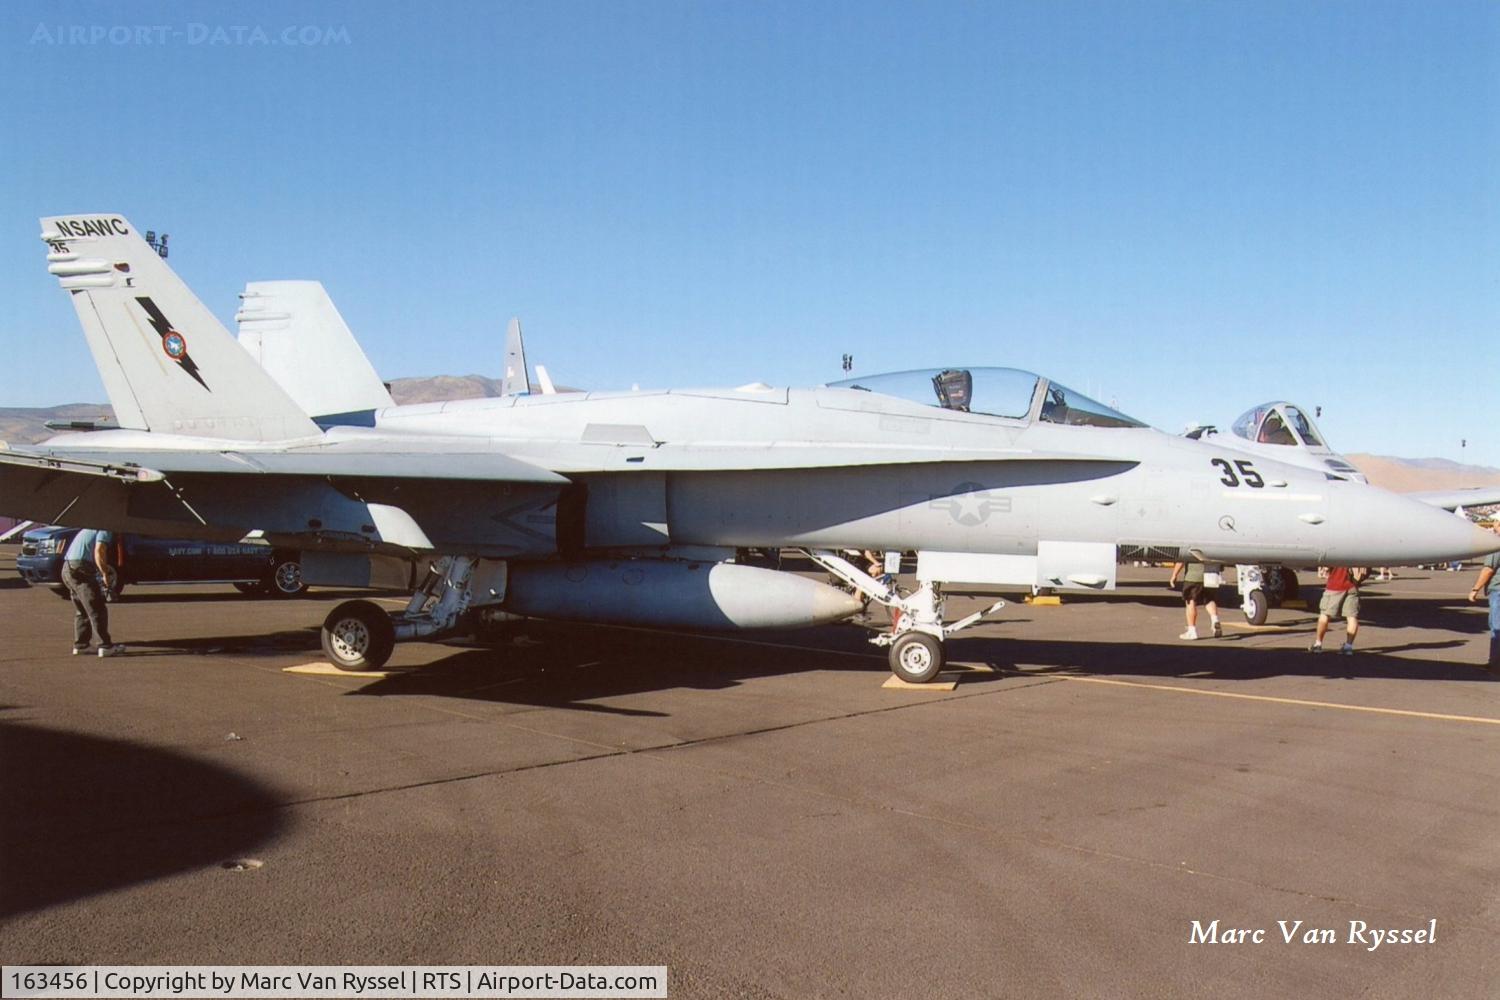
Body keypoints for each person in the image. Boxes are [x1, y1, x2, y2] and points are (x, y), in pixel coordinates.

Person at [61, 527, 124, 657]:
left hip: (67, 568)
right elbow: (99, 550)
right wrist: (105, 573)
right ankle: (105, 646)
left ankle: (81, 645)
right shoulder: (105, 528)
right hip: (80, 567)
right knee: (97, 608)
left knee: (82, 609)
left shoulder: (90, 527)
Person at [1312, 566, 1367, 654]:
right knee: (1352, 617)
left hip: (1334, 585)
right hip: (1352, 586)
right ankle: (1348, 646)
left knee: (1325, 614)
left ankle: (1318, 644)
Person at [1468, 530, 1499, 668]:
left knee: (1497, 628)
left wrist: (1475, 589)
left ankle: (1496, 664)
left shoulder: (1495, 545)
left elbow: (1488, 570)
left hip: (1498, 591)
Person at [1169, 561, 1222, 640]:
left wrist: (1174, 574)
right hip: (1210, 575)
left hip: (1193, 576)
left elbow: (1182, 560)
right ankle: (1215, 620)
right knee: (1209, 599)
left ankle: (1192, 631)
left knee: (1190, 601)